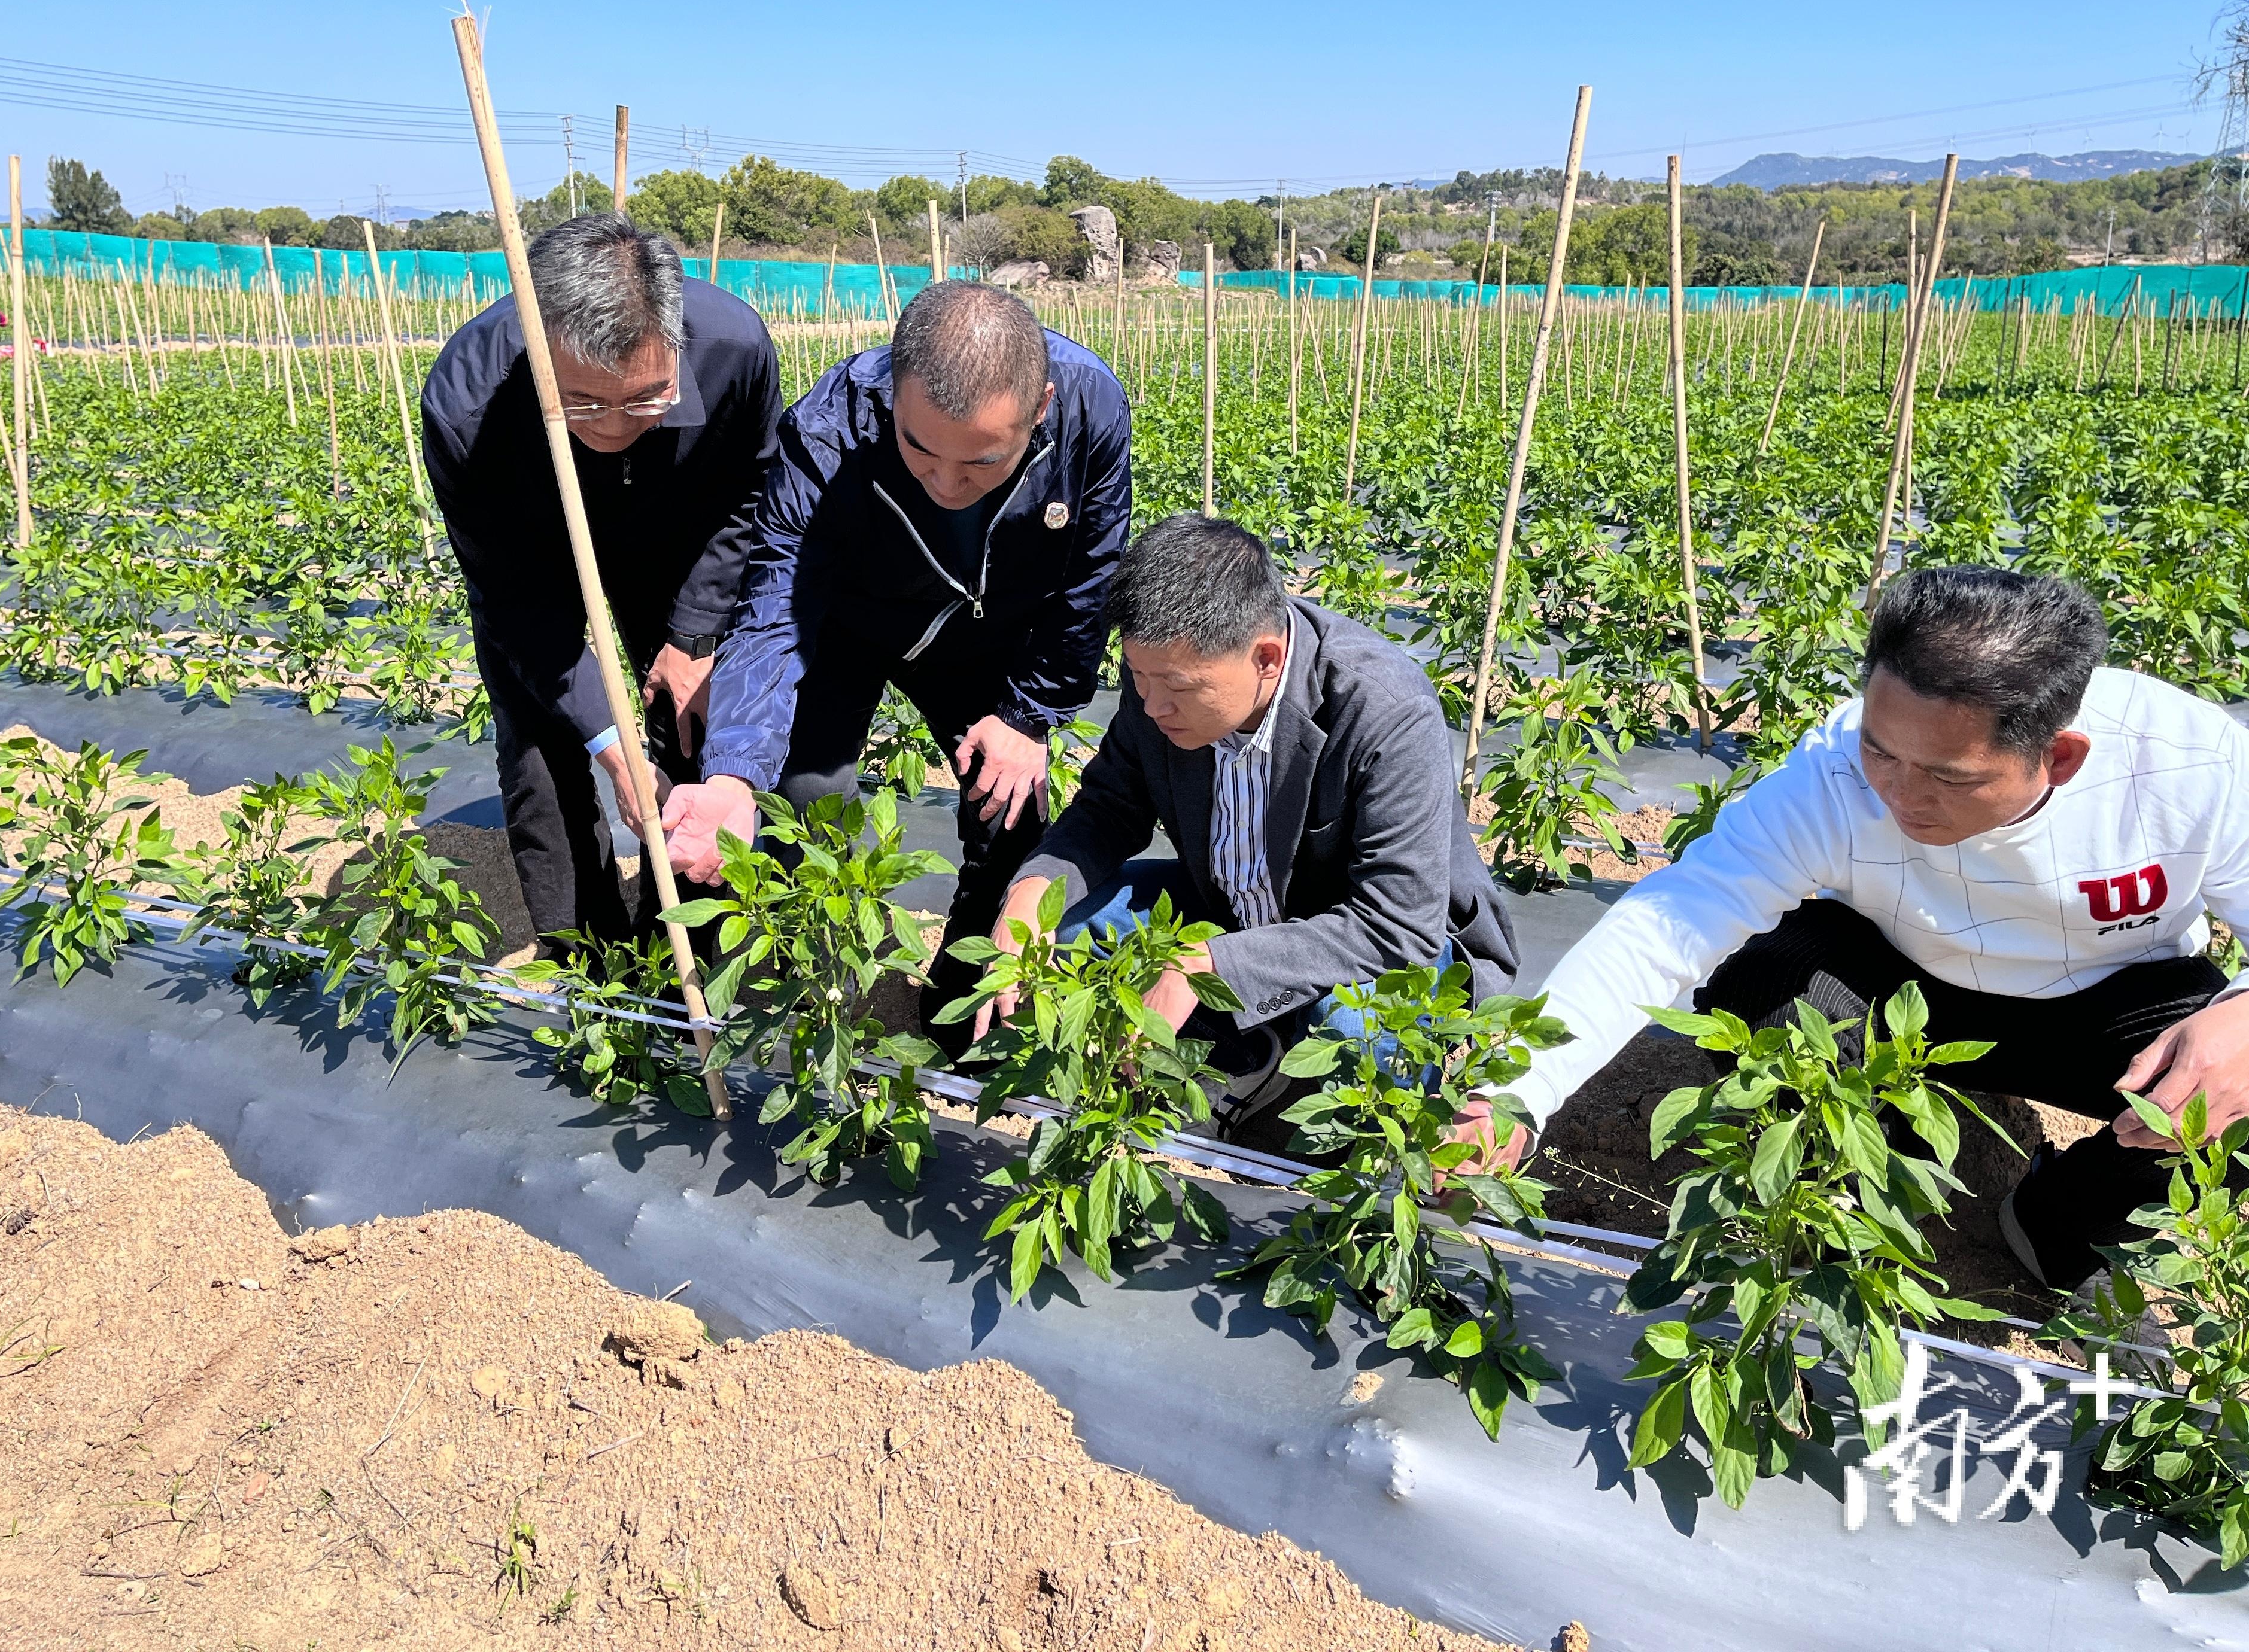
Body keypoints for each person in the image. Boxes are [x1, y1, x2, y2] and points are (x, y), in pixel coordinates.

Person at [1467, 566, 2249, 1291]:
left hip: (2101, 1001)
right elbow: (1673, 921)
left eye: (1952, 776)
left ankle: (2058, 1226)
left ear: (2061, 758)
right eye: (1882, 749)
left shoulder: (2190, 767)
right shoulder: (1837, 769)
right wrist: (1515, 1091)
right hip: (1891, 977)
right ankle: (1841, 1228)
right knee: (1766, 998)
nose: (1902, 795)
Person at [660, 281, 1132, 1040]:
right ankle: (775, 989)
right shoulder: (828, 428)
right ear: (891, 399)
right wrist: (732, 772)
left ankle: (965, 1010)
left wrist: (1031, 716)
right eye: (919, 449)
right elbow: (779, 598)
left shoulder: (1089, 411)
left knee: (1008, 814)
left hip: (984, 628)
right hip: (851, 620)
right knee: (806, 799)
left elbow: (1089, 576)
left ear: (1039, 409)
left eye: (982, 462)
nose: (946, 484)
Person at [984, 513, 1518, 1146]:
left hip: (1363, 943)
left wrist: (1208, 964)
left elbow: (1396, 924)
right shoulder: (1158, 680)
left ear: (1266, 658)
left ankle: (1287, 1114)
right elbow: (1107, 810)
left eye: (1177, 688)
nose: (1152, 706)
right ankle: (1215, 1061)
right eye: (1137, 678)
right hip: (1229, 908)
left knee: (1357, 1030)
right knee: (1067, 922)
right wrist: (1029, 898)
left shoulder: (1383, 708)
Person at [422, 215, 781, 954]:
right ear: (542, 343)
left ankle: (680, 946)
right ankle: (586, 958)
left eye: (646, 398)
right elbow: (518, 603)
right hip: (536, 541)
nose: (614, 424)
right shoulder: (467, 404)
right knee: (542, 745)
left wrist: (693, 634)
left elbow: (750, 493)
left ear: (676, 347)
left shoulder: (734, 350)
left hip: (673, 530)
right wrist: (613, 748)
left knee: (692, 715)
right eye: (584, 402)